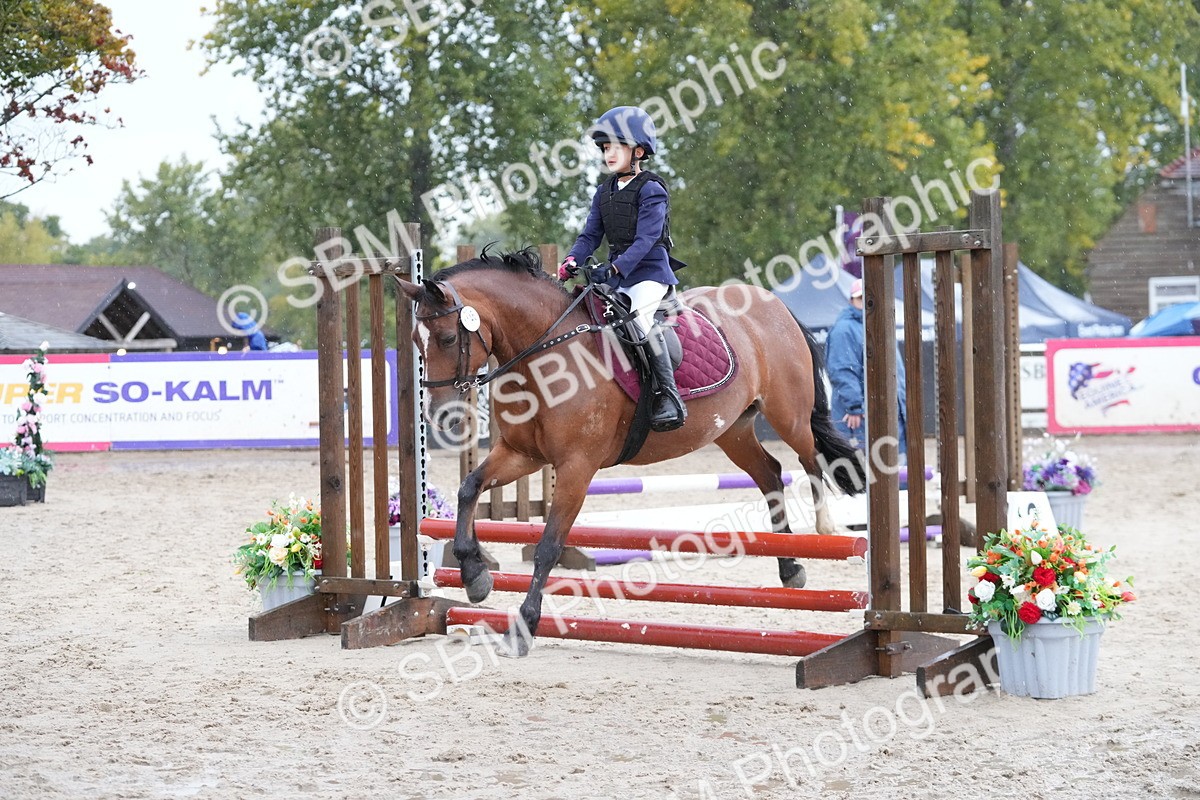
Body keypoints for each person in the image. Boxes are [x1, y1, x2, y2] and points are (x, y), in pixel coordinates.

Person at [559, 105, 687, 432]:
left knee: (638, 322)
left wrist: (614, 270)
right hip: (617, 276)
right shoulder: (603, 192)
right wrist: (572, 260)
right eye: (605, 148)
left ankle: (668, 396)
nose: (608, 153)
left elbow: (646, 239)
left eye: (616, 146)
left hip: (649, 274)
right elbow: (590, 235)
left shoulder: (651, 189)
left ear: (638, 151)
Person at [825, 279, 907, 456]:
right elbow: (842, 370)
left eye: (871, 298)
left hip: (889, 411)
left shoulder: (882, 326)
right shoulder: (844, 329)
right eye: (861, 298)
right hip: (860, 416)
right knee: (864, 472)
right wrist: (854, 406)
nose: (867, 302)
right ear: (851, 301)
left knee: (895, 470)